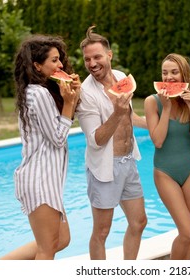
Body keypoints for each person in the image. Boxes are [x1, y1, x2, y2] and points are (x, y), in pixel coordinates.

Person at [1, 34, 81, 260]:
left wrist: (72, 97)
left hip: (47, 180)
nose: (60, 65)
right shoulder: (39, 93)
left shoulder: (36, 91)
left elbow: (58, 127)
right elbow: (58, 138)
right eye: (54, 61)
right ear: (37, 65)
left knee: (62, 240)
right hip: (40, 180)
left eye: (60, 60)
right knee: (47, 249)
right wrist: (68, 103)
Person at [77, 26, 147, 260]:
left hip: (129, 163)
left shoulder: (120, 76)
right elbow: (95, 140)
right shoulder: (86, 93)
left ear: (109, 55)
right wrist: (116, 113)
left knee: (139, 222)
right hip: (106, 168)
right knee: (102, 230)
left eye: (97, 57)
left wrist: (162, 123)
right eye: (87, 59)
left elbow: (131, 118)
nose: (92, 63)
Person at [144, 53, 190, 260]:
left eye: (174, 72)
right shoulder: (153, 102)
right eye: (164, 73)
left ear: (184, 75)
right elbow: (158, 141)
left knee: (189, 233)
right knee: (187, 232)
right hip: (165, 172)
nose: (168, 78)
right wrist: (167, 108)